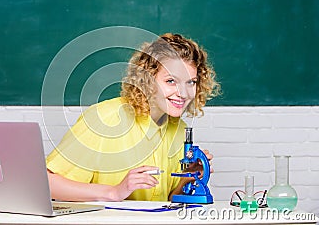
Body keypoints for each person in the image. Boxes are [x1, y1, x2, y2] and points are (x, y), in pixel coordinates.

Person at [45, 33, 220, 202]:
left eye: (191, 82)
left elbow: (168, 200)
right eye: (171, 81)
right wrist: (114, 192)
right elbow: (47, 183)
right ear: (147, 79)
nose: (183, 93)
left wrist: (189, 178)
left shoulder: (179, 129)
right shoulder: (103, 118)